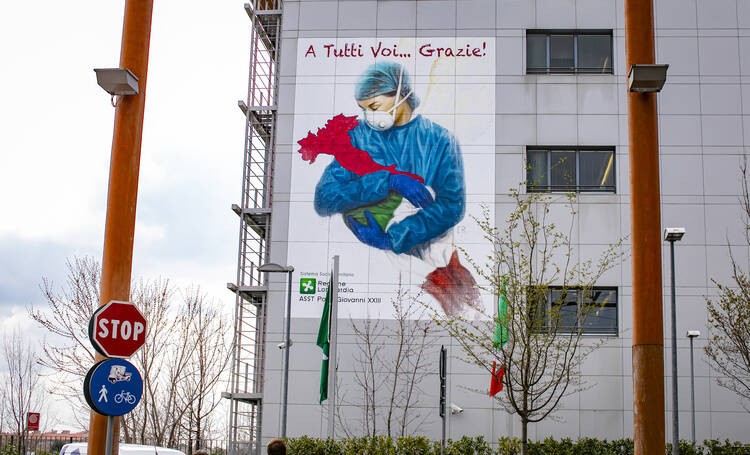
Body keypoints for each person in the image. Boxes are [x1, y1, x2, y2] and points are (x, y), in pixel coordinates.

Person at [313, 61, 478, 315]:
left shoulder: (441, 140)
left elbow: (452, 205)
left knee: (461, 298)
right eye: (363, 109)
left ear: (402, 94)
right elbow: (325, 198)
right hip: (382, 271)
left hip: (434, 243)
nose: (369, 116)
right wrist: (386, 181)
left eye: (375, 106)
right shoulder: (359, 138)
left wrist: (396, 237)